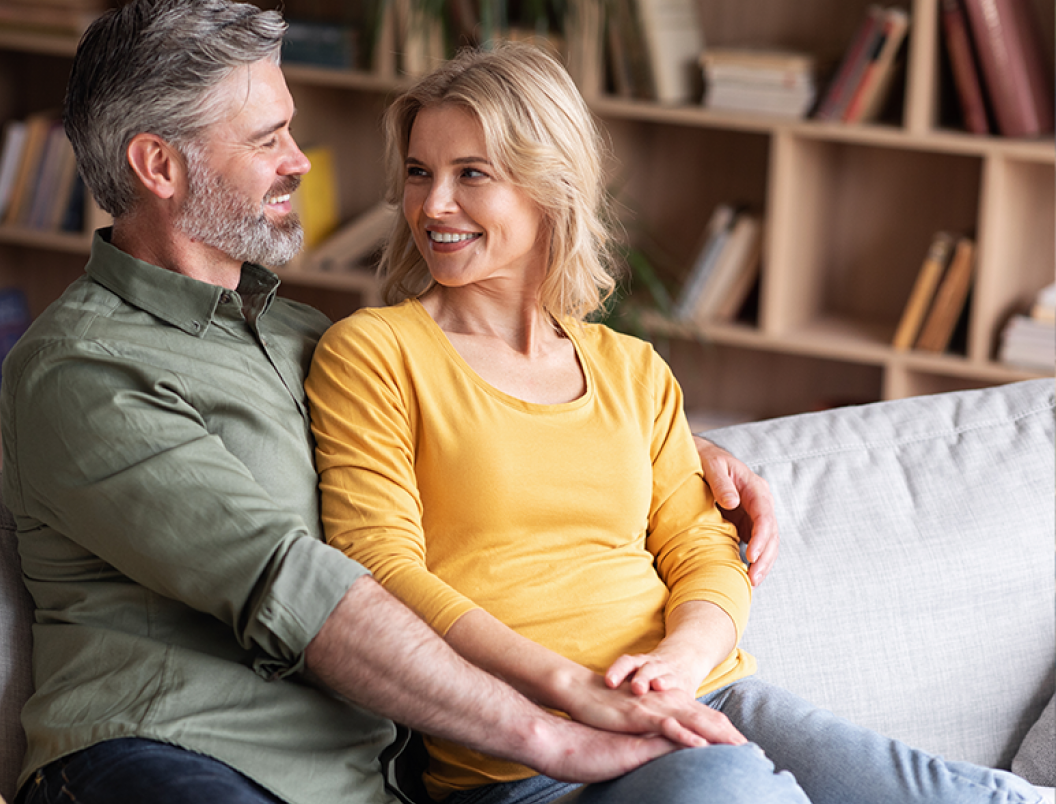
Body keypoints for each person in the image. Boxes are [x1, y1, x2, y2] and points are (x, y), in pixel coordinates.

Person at [0, 3, 789, 803]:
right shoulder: (84, 369)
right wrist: (549, 729)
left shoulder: (304, 338)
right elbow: (291, 584)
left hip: (364, 779)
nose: (300, 162)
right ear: (159, 167)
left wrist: (686, 456)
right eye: (266, 138)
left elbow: (464, 427)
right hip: (166, 754)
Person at [303, 42, 1043, 804]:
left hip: (705, 697)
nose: (433, 206)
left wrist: (680, 664)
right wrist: (575, 687)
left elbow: (701, 548)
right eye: (420, 173)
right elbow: (380, 568)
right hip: (530, 762)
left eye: (471, 175)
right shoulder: (375, 352)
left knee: (979, 799)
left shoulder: (632, 369)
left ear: (550, 186)